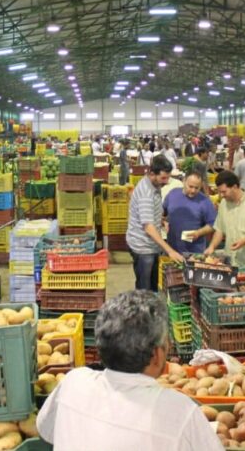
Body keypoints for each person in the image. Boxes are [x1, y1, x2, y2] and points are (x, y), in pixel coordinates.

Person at [37, 290, 223, 451]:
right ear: (157, 354)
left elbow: (45, 429)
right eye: (167, 341)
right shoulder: (179, 411)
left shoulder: (74, 382)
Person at [126, 155, 184, 290]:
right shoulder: (146, 193)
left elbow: (148, 214)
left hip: (150, 245)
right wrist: (169, 250)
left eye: (168, 177)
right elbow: (148, 227)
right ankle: (143, 310)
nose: (166, 181)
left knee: (152, 285)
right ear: (152, 174)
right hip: (143, 247)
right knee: (144, 288)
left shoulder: (153, 184)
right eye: (163, 178)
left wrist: (161, 220)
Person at [163, 172, 217, 254]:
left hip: (194, 252)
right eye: (190, 186)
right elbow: (163, 212)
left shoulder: (205, 201)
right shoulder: (173, 194)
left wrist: (198, 233)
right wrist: (164, 221)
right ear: (184, 181)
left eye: (197, 188)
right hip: (172, 249)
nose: (193, 190)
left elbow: (213, 225)